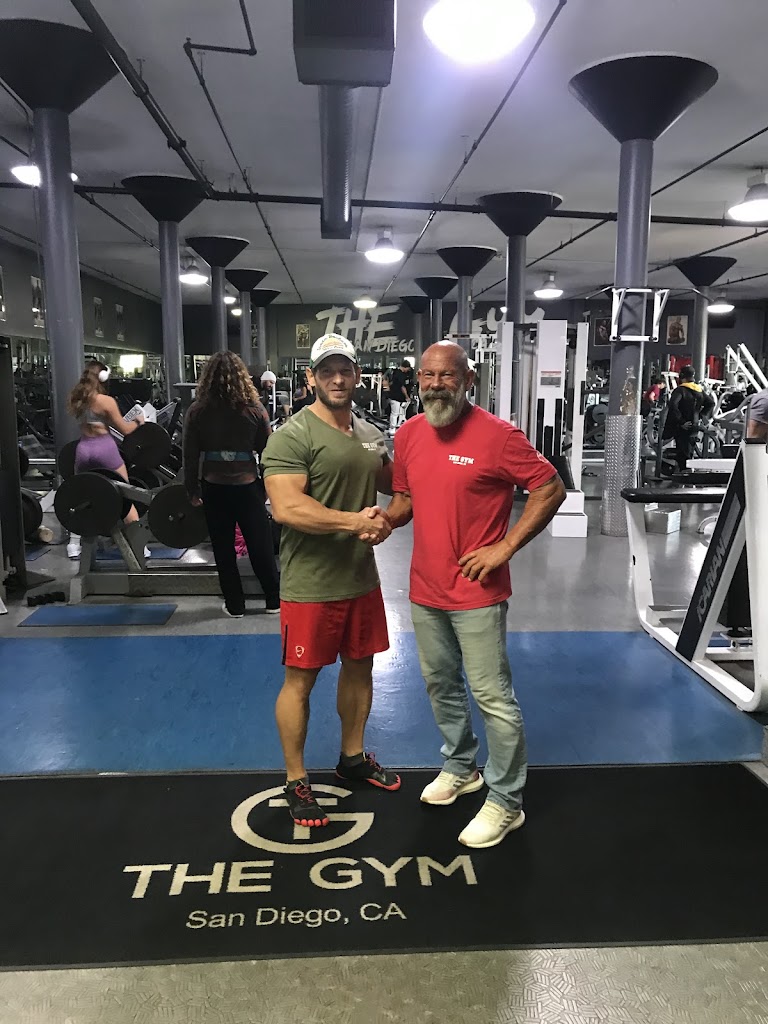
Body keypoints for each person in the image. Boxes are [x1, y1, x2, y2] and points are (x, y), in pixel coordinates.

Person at [385, 342, 565, 849]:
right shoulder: (410, 434)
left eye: (447, 375)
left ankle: (506, 800)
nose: (435, 384)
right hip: (424, 588)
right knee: (440, 684)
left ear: (468, 380)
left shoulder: (499, 436)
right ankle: (462, 768)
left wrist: (504, 547)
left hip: (477, 593)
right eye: (427, 375)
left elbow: (550, 488)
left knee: (493, 697)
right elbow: (404, 501)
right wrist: (379, 521)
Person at [262, 333, 399, 829]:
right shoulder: (292, 435)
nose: (337, 379)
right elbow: (287, 507)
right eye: (327, 371)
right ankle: (296, 779)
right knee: (300, 681)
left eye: (344, 370)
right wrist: (355, 521)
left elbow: (399, 484)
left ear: (357, 375)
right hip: (311, 583)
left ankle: (353, 758)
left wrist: (390, 518)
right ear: (311, 378)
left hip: (361, 579)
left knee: (361, 669)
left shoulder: (370, 434)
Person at [183, 351, 280, 618]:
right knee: (260, 545)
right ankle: (273, 600)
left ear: (208, 378)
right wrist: (267, 488)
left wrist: (191, 489)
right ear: (242, 377)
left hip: (214, 488)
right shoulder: (256, 410)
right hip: (248, 486)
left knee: (223, 549)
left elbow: (190, 456)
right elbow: (269, 453)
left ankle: (236, 605)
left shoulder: (197, 411)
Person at [67, 360, 145, 557]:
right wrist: (139, 422)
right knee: (127, 495)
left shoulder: (77, 398)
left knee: (80, 496)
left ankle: (74, 545)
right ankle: (140, 547)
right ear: (102, 378)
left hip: (83, 450)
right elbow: (125, 429)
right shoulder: (106, 401)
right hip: (105, 449)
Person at [662, 365, 715, 473]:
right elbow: (711, 403)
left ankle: (684, 473)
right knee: (689, 449)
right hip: (695, 425)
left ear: (682, 376)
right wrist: (701, 416)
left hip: (683, 426)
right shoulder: (699, 390)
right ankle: (687, 471)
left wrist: (681, 421)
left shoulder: (680, 390)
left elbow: (673, 405)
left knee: (682, 452)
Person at [387, 359, 412, 436]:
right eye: (407, 369)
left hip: (395, 397)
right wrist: (407, 397)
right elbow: (402, 387)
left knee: (399, 413)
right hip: (396, 397)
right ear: (405, 367)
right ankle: (392, 429)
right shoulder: (400, 375)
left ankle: (396, 428)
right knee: (395, 413)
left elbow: (391, 383)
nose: (407, 370)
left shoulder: (395, 373)